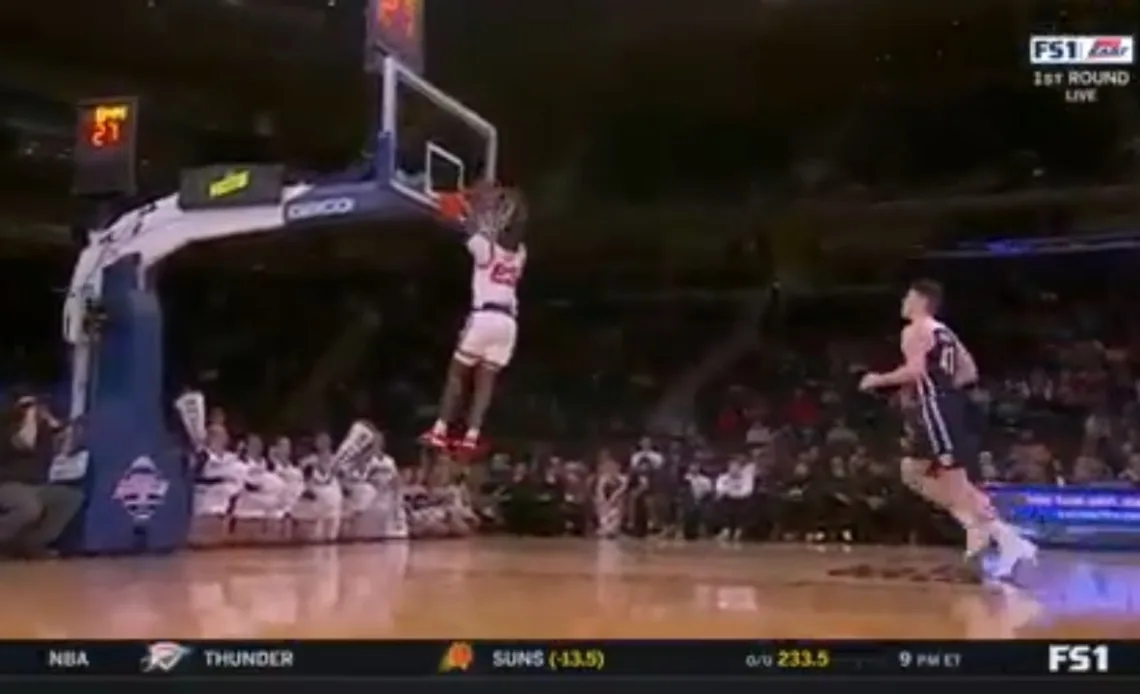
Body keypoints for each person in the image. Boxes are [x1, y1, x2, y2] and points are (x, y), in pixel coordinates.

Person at [859, 280, 1035, 580]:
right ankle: (974, 524)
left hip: (937, 409)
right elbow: (969, 372)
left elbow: (915, 371)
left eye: (907, 296)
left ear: (919, 300)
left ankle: (1010, 541)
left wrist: (878, 379)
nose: (903, 301)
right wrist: (944, 390)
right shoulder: (944, 331)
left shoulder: (914, 330)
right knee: (913, 471)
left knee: (956, 483)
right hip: (946, 406)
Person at [420, 183, 528, 454]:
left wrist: (460, 202)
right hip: (508, 324)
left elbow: (460, 229)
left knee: (457, 375)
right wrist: (486, 208)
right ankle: (471, 436)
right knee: (485, 384)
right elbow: (506, 229)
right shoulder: (520, 254)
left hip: (485, 316)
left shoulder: (486, 250)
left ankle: (440, 429)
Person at [0, 393, 83, 558]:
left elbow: (66, 448)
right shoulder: (7, 429)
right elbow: (26, 442)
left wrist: (51, 420)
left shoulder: (43, 431)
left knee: (71, 498)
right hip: (8, 485)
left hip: (37, 486)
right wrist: (29, 414)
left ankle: (31, 543)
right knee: (29, 508)